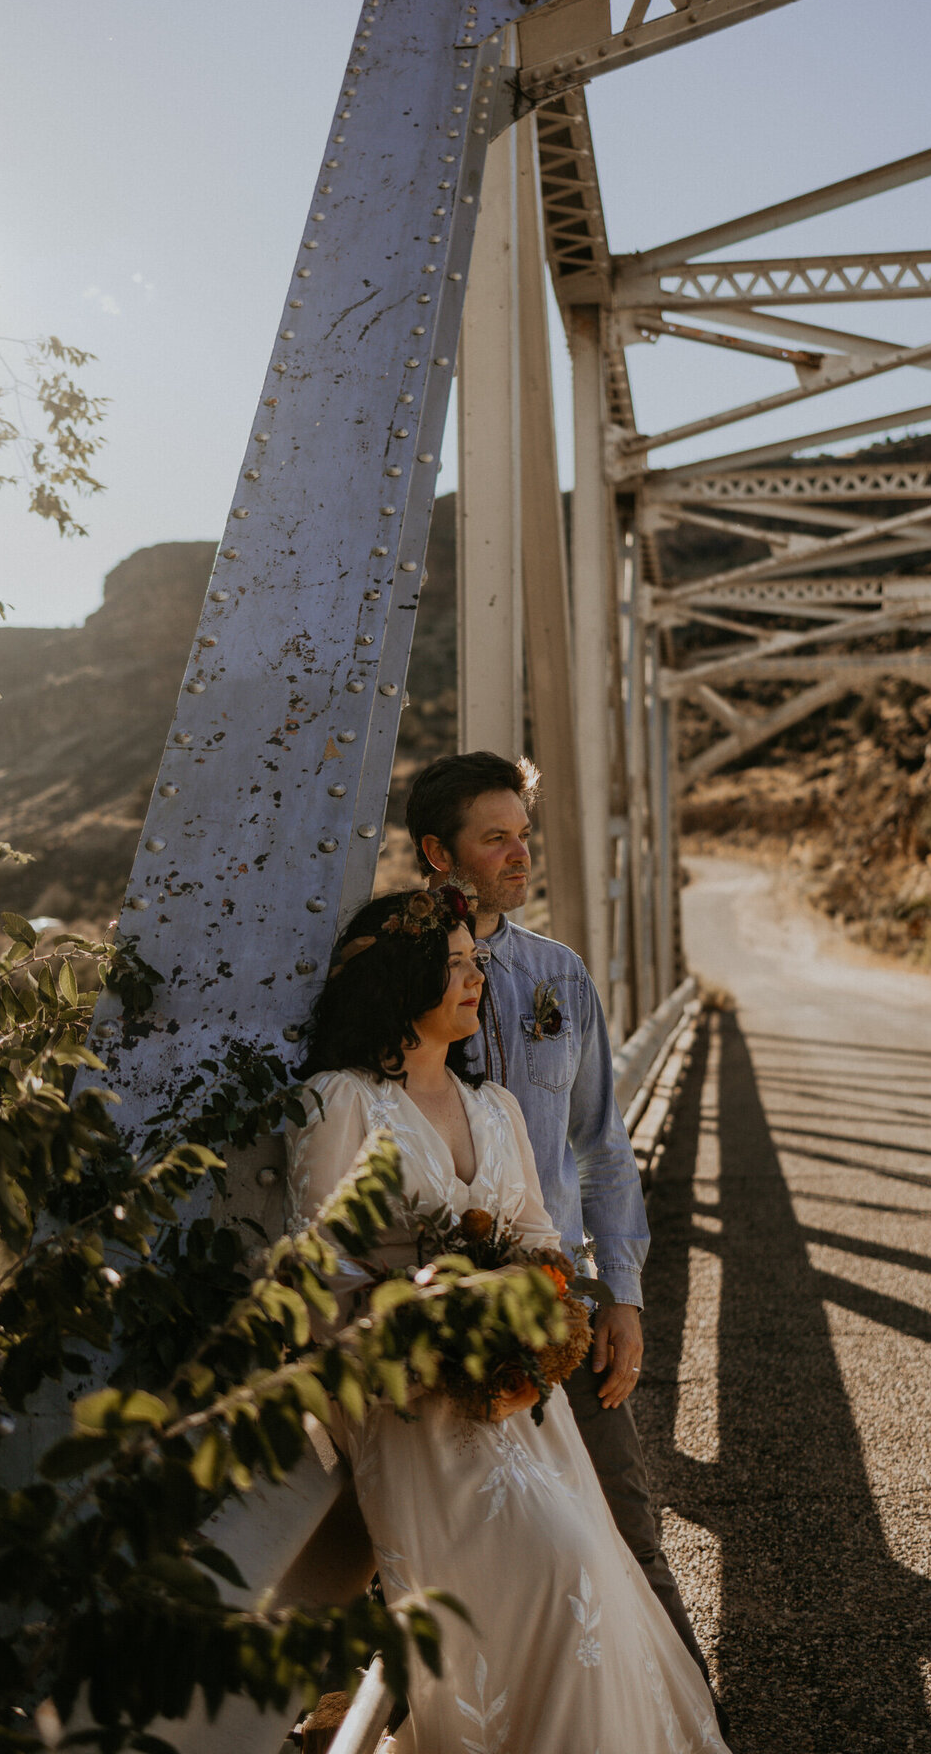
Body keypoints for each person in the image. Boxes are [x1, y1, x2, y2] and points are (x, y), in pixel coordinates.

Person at [286, 885, 730, 1753]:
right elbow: (317, 1275)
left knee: (588, 1575)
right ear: (401, 977)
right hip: (413, 1414)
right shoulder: (338, 1102)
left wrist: (540, 1305)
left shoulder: (496, 1107)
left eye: (473, 962)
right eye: (452, 964)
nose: (474, 978)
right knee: (560, 1574)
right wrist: (422, 1321)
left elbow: (539, 1241)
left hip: (527, 1407)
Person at [403, 750, 726, 1720]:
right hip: (442, 1337)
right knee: (474, 1576)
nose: (518, 854)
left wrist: (621, 1296)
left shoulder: (558, 974)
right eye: (493, 837)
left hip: (565, 1310)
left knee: (631, 1537)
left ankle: (695, 1729)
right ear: (437, 853)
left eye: (523, 834)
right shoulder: (391, 978)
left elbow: (600, 1144)